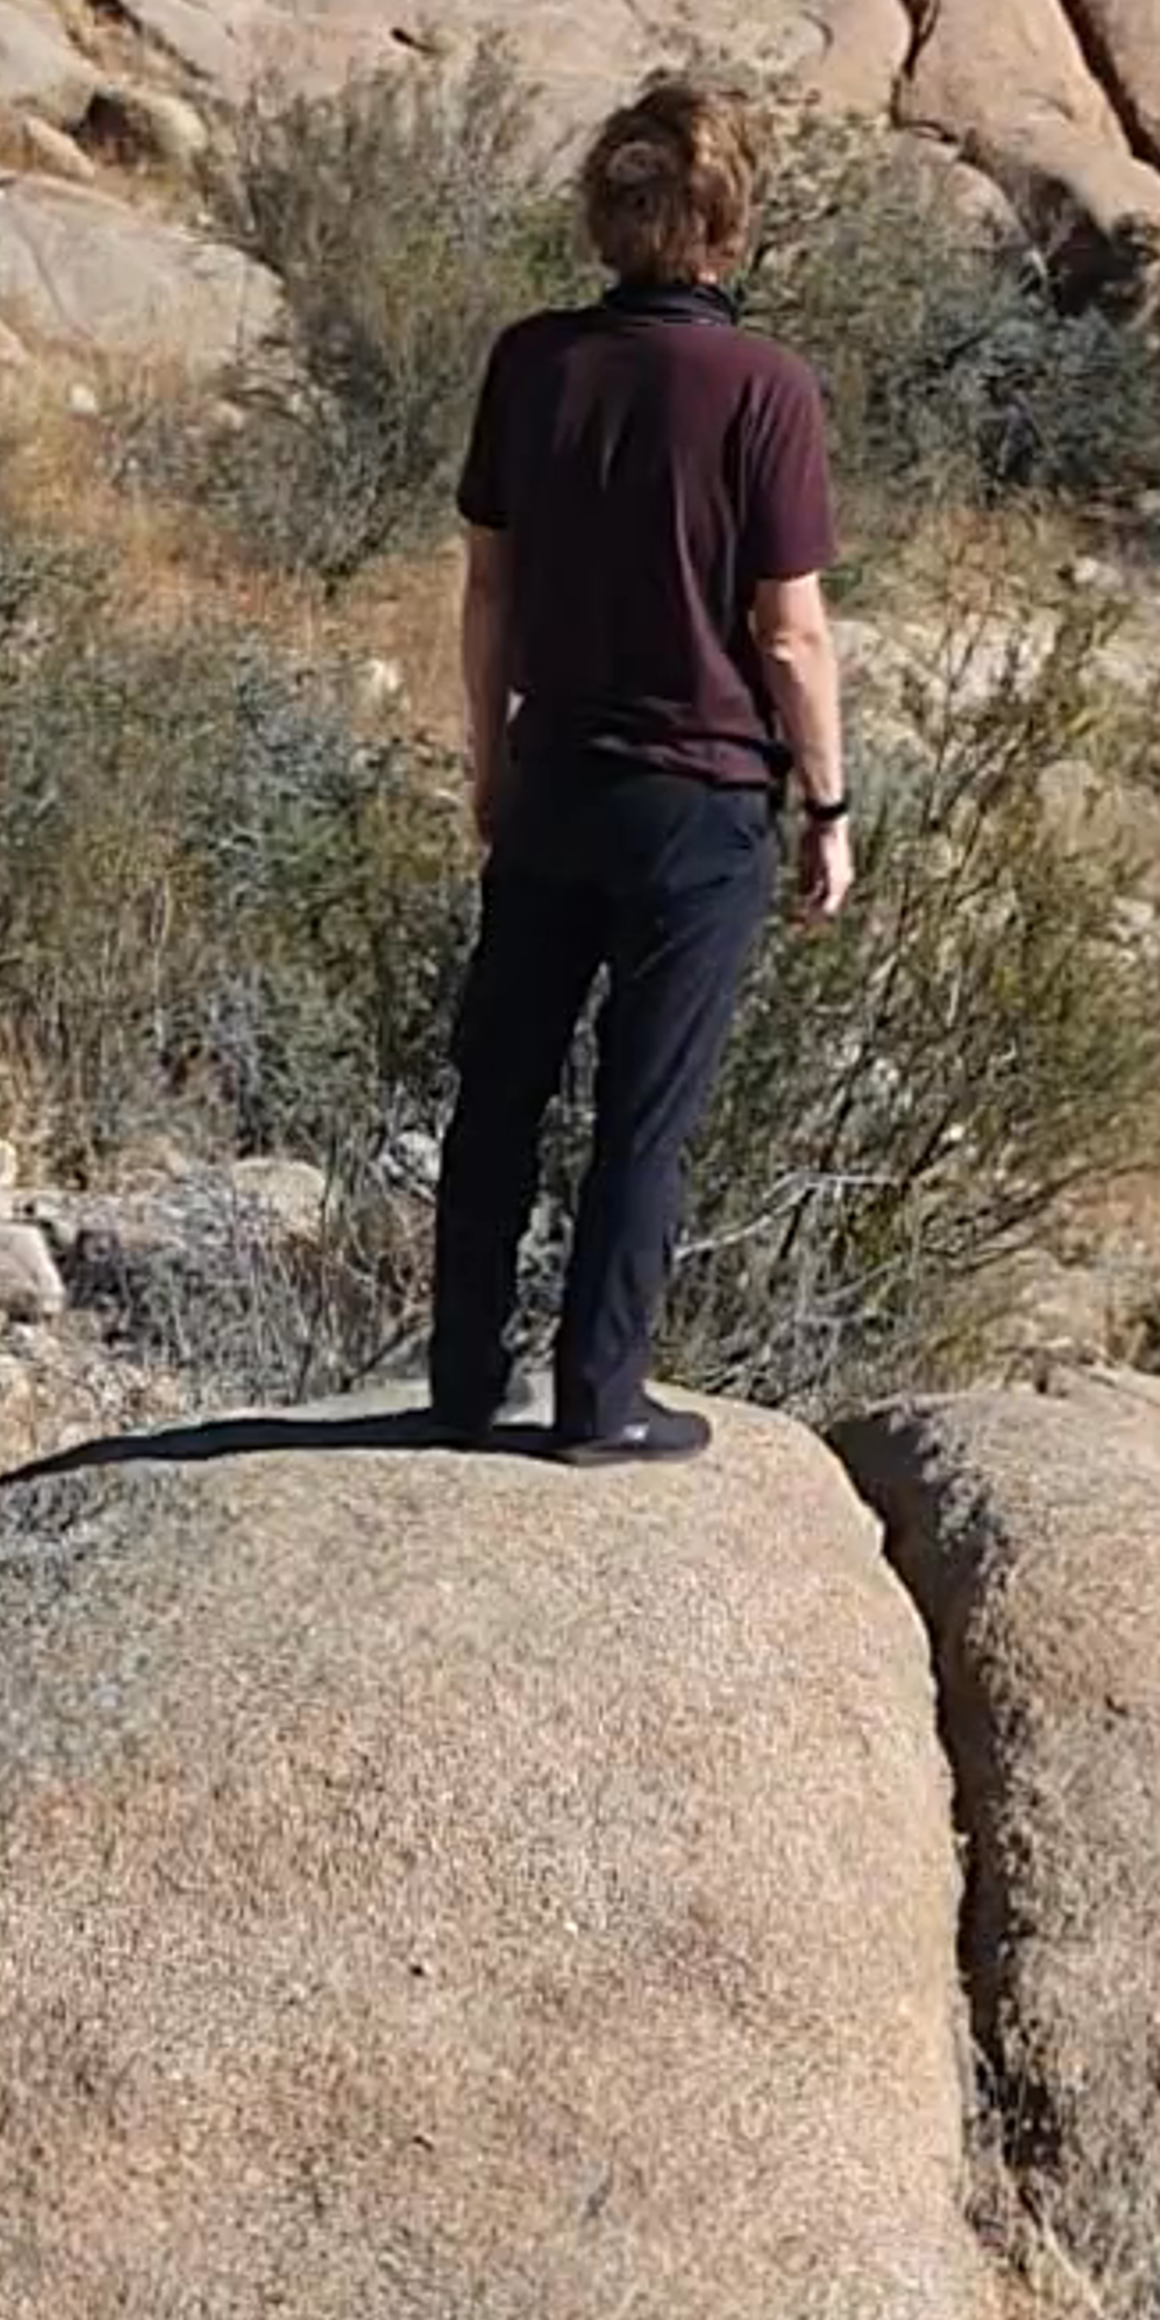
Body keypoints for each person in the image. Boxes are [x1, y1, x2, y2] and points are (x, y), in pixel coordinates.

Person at [427, 74, 853, 1468]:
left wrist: (489, 758)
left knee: (500, 1091)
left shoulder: (531, 361)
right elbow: (789, 633)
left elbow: (487, 590)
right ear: (729, 224)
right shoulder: (763, 388)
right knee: (642, 1111)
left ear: (610, 217)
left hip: (550, 774)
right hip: (701, 799)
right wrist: (829, 807)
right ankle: (602, 1396)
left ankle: (460, 1374)